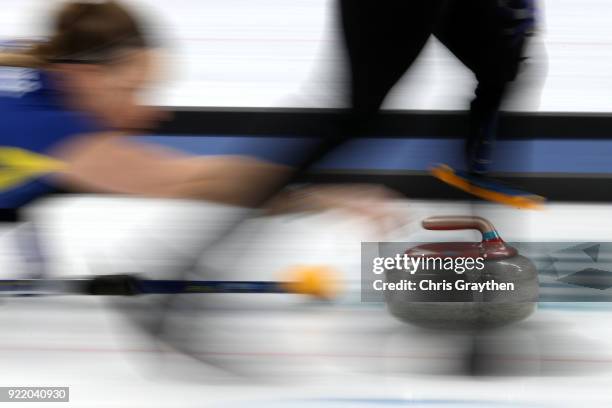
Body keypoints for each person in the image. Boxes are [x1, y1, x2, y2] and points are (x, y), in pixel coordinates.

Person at [0, 1, 403, 279]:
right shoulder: (51, 131)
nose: (150, 114)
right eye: (133, 92)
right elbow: (201, 184)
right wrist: (323, 197)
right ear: (81, 75)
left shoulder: (26, 62)